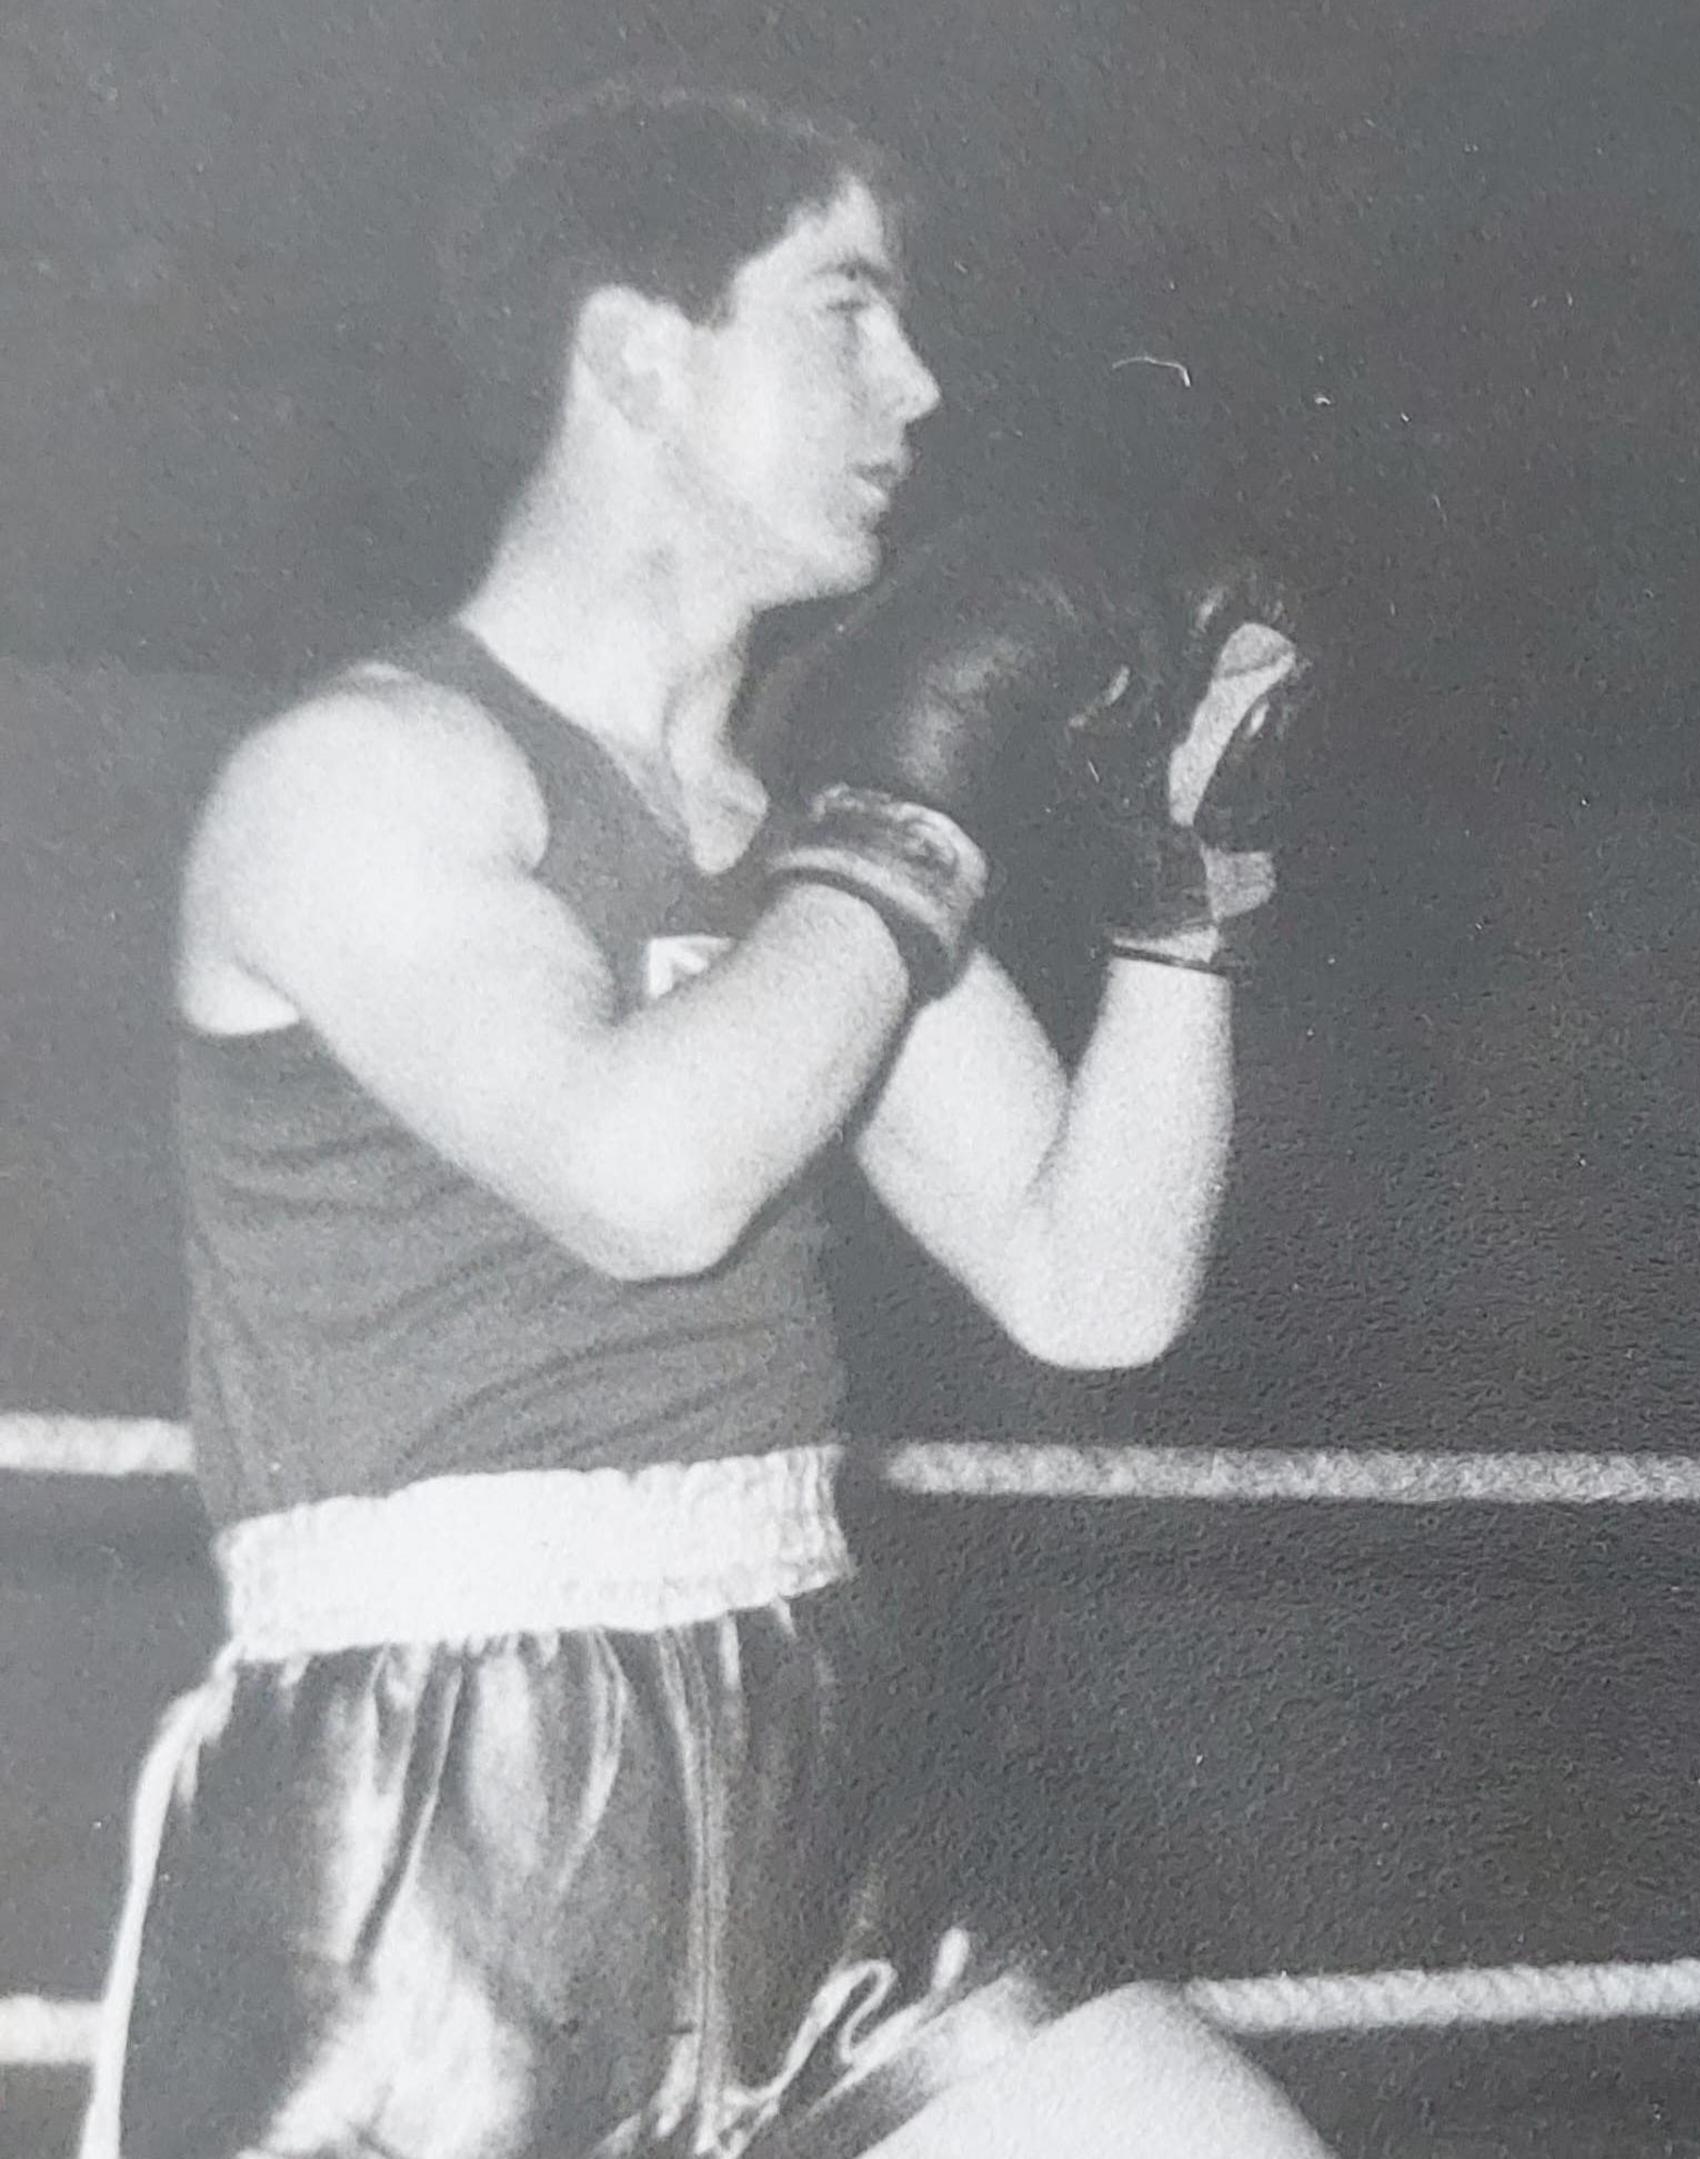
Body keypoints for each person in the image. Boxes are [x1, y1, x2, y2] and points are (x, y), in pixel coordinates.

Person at [89, 78, 1344, 2158]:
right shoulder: (362, 781)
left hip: (814, 1743)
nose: (922, 386)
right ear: (637, 364)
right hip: (443, 1804)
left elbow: (1088, 1281)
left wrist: (1173, 915)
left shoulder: (803, 833)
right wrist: (909, 830)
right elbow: (646, 1183)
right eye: (847, 313)